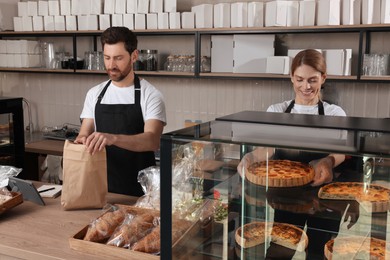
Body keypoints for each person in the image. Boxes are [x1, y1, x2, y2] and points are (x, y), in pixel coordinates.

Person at [237, 49, 349, 259]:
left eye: (313, 80)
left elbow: (341, 152)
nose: (306, 86)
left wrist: (328, 160)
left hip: (323, 196)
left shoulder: (335, 113)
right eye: (300, 79)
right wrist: (252, 157)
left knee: (319, 253)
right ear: (291, 77)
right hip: (286, 195)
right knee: (280, 251)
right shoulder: (277, 110)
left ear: (323, 78)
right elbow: (268, 148)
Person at [75, 27, 166, 196]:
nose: (111, 65)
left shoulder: (150, 95)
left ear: (134, 56)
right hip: (101, 190)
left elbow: (152, 140)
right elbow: (83, 135)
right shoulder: (95, 94)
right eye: (107, 57)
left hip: (140, 193)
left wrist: (112, 138)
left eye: (118, 58)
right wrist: (82, 140)